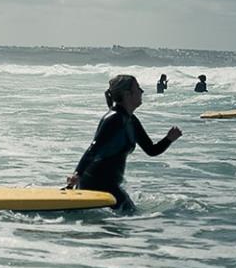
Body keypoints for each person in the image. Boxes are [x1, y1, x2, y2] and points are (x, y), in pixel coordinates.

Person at [66, 75, 183, 213]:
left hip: (110, 185)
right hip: (96, 182)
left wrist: (168, 139)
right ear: (127, 94)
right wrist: (77, 174)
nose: (142, 91)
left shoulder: (131, 120)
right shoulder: (113, 119)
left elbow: (151, 150)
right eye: (138, 88)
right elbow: (94, 148)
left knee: (130, 216)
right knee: (131, 216)